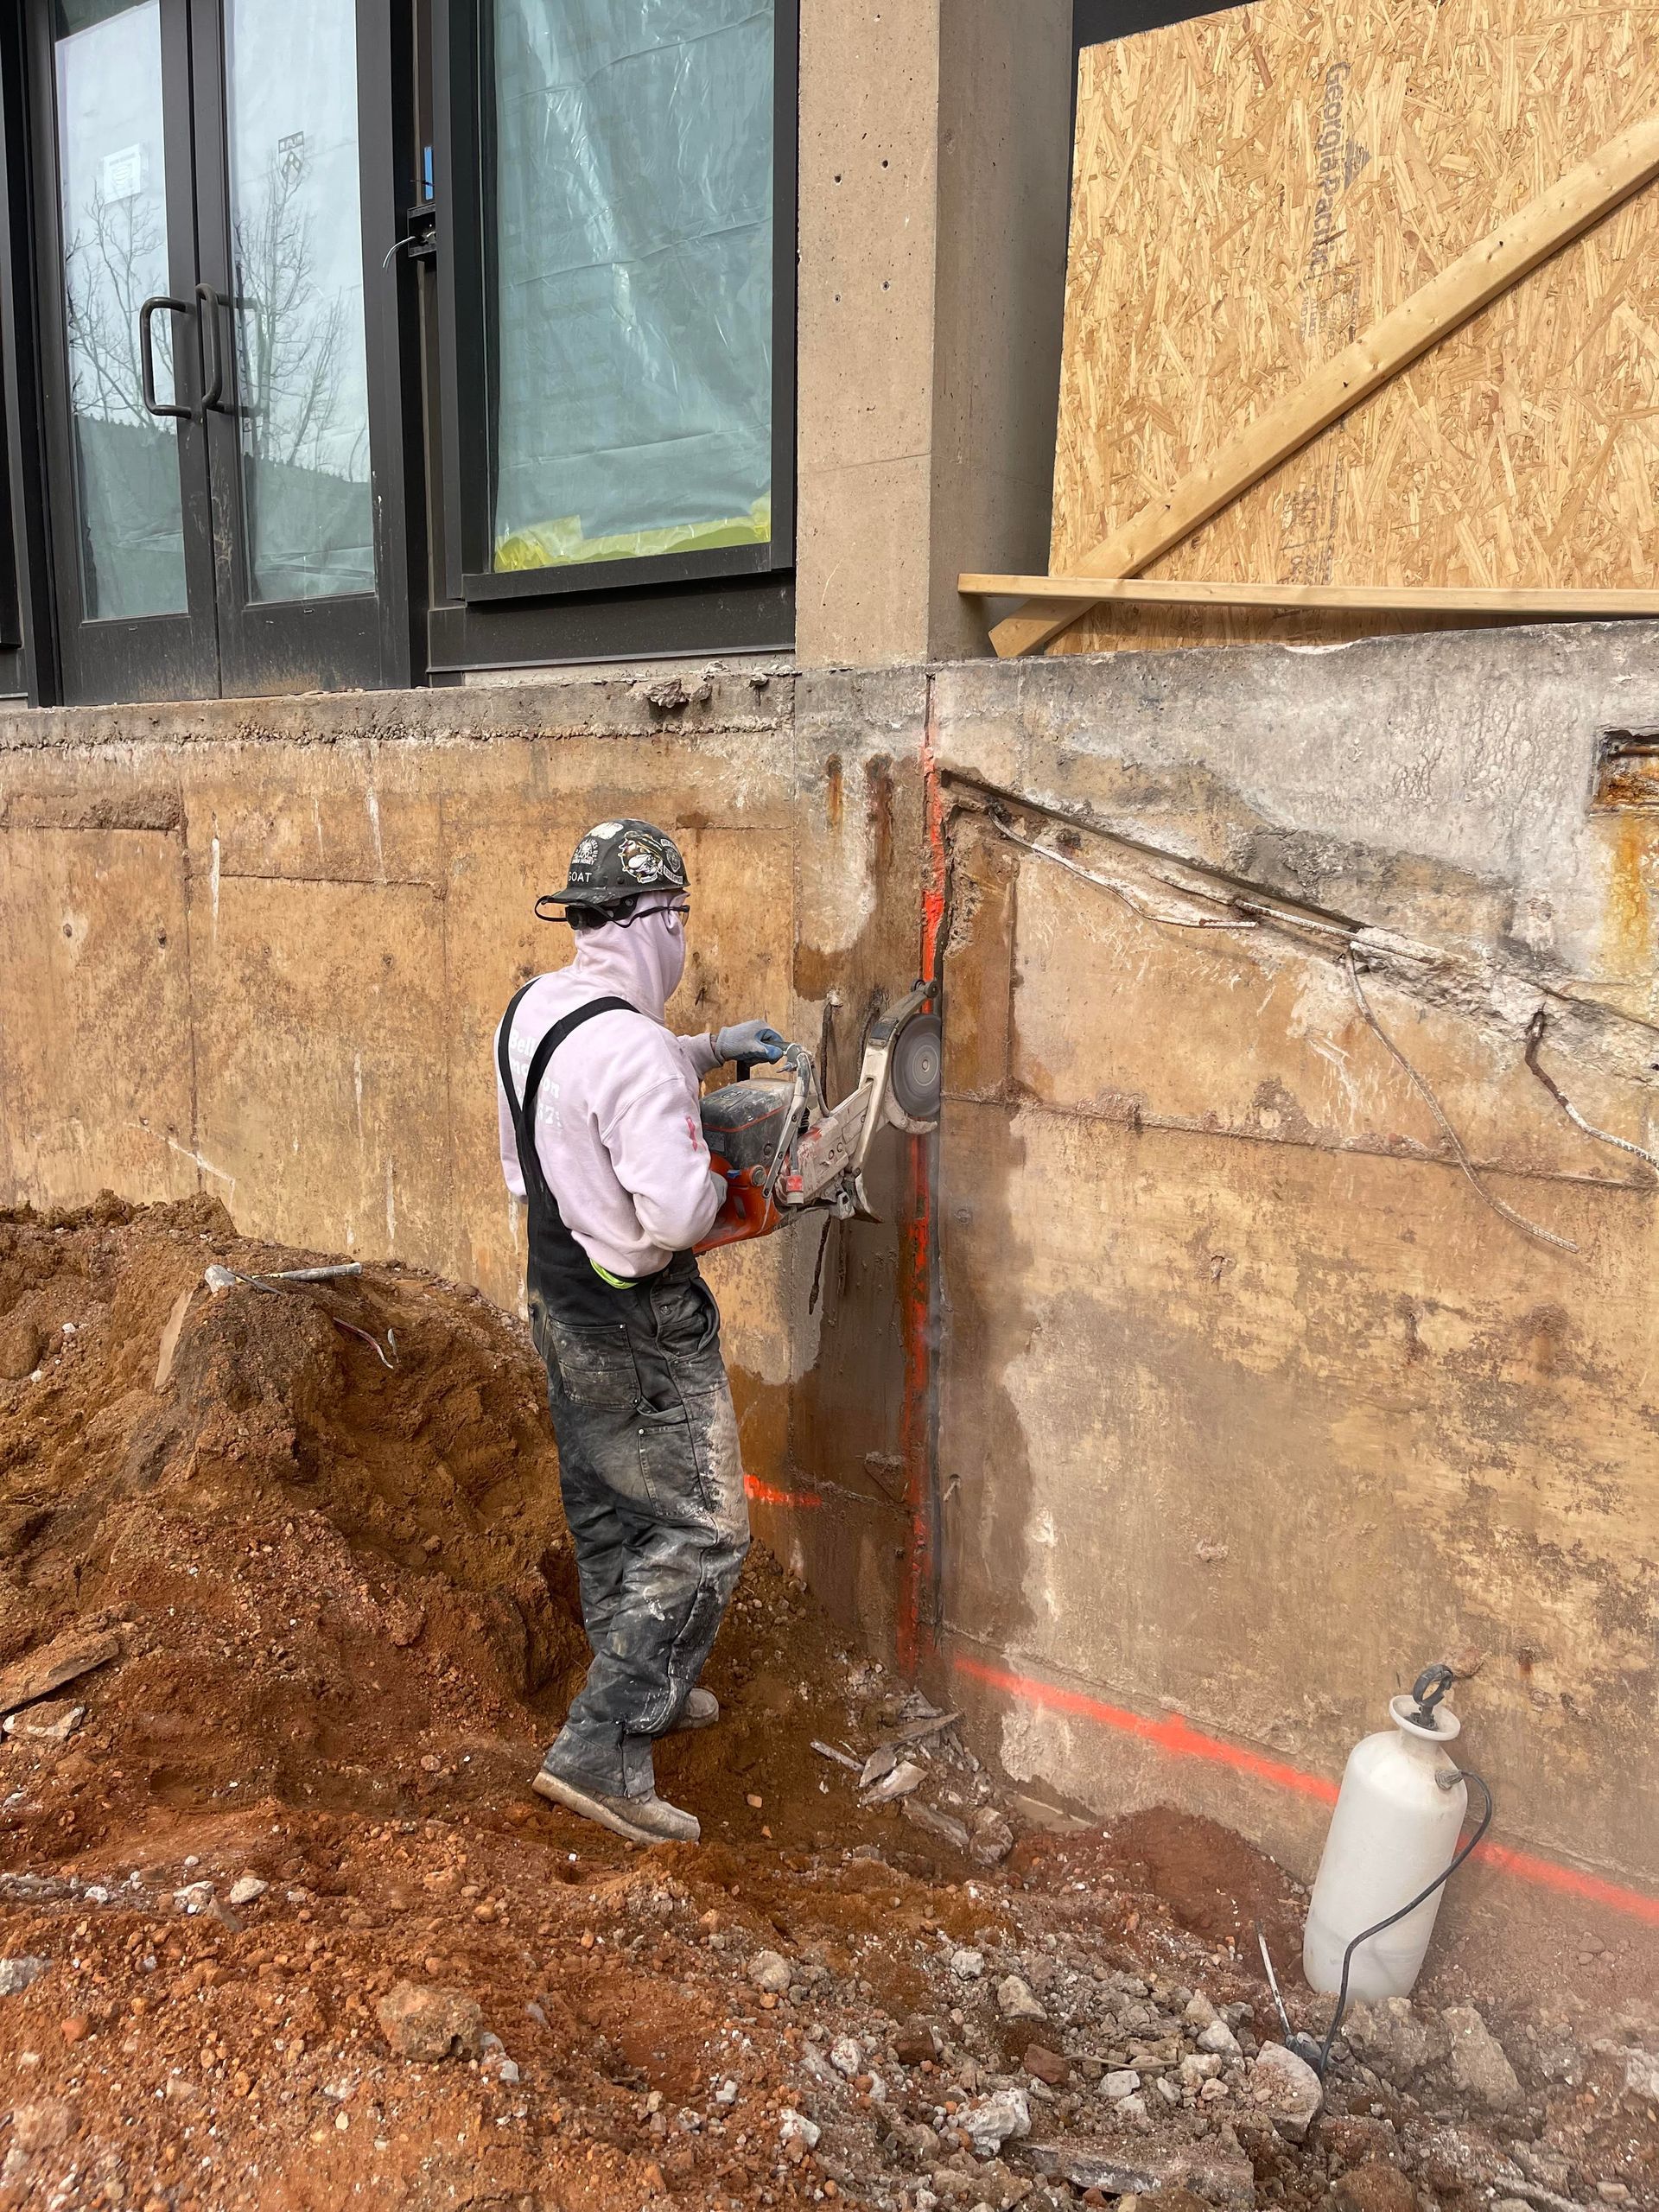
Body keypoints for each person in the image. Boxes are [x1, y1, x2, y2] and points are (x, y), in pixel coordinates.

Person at [495, 819, 786, 1845]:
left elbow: (597, 1079)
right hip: (639, 1311)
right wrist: (764, 1197)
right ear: (654, 920)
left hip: (559, 1286)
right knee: (708, 1528)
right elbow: (676, 1217)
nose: (682, 942)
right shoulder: (637, 1056)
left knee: (610, 1506)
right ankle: (601, 1748)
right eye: (680, 922)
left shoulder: (536, 1008)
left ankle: (643, 1677)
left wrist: (708, 1050)